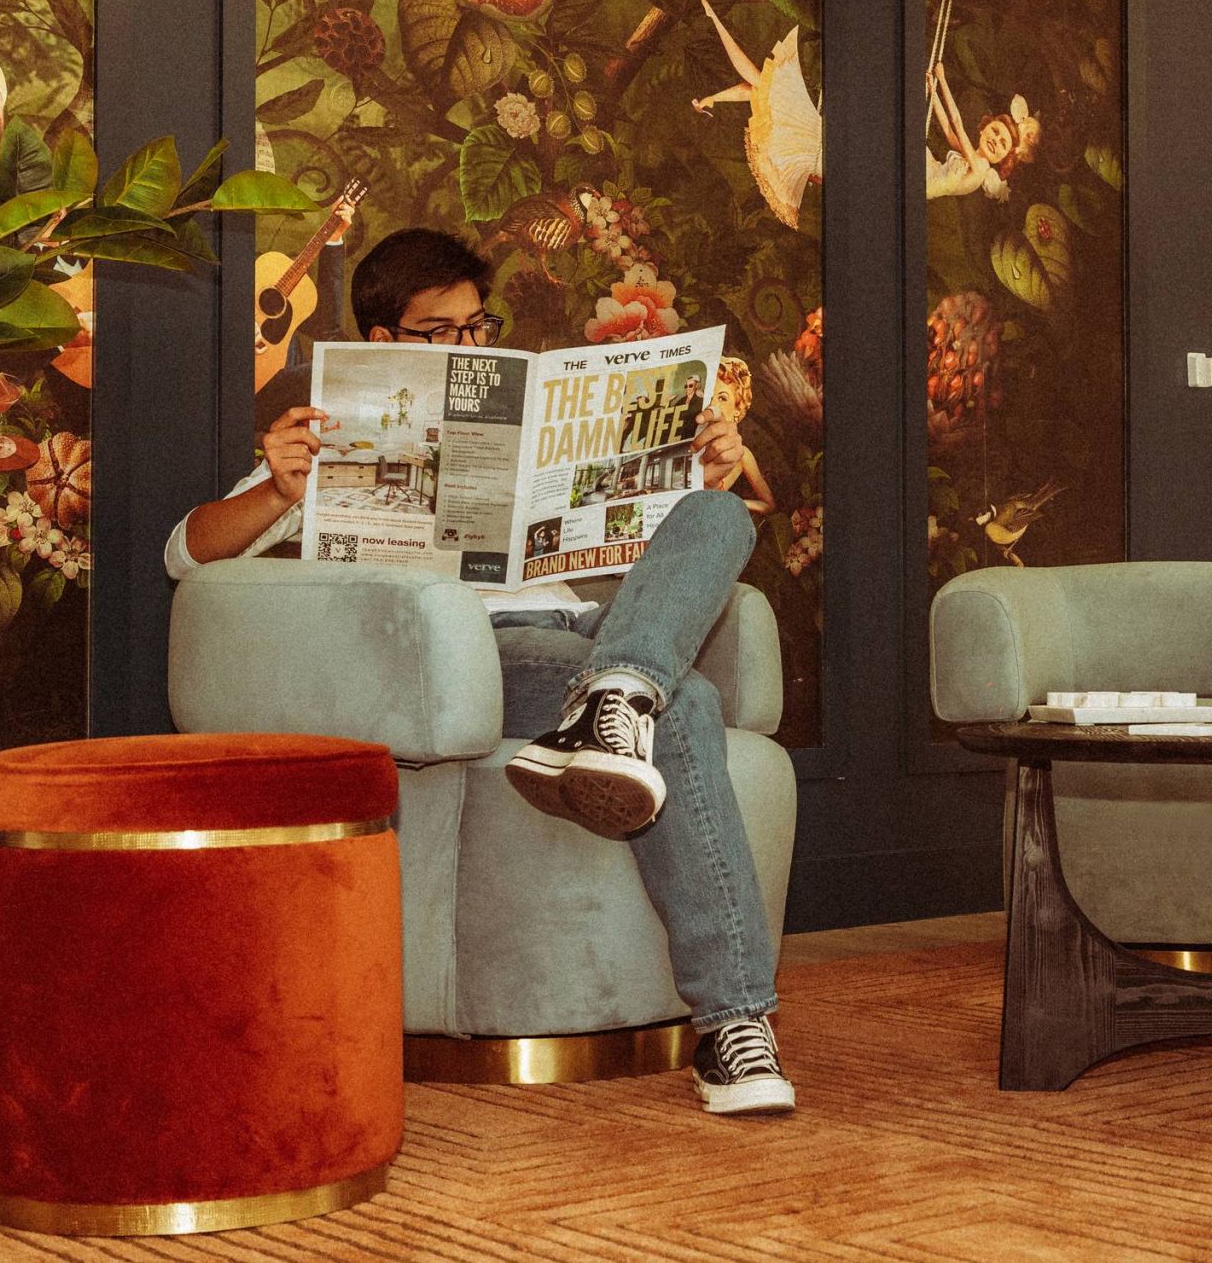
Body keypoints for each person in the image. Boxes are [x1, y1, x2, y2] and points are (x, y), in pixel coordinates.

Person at [164, 227, 795, 1116]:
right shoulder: (322, 445)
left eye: (476, 326)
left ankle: (617, 690)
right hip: (488, 658)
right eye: (440, 331)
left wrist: (707, 472)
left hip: (596, 626)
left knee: (720, 518)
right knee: (683, 698)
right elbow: (185, 553)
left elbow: (652, 546)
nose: (467, 345)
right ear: (383, 342)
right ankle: (734, 1022)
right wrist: (276, 490)